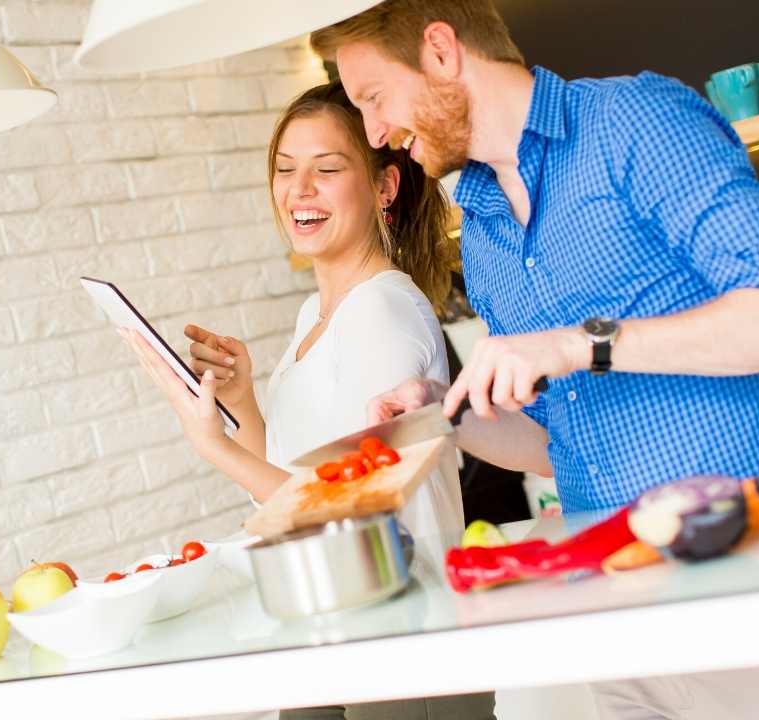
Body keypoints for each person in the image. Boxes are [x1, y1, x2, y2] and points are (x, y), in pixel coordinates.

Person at [309, 3, 759, 720]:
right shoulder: (484, 231)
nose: (374, 133)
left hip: (752, 589)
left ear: (440, 51)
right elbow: (558, 446)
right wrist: (444, 415)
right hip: (618, 615)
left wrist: (581, 343)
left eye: (373, 98)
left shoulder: (636, 121)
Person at [121, 81, 497, 719]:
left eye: (326, 170)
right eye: (285, 170)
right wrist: (242, 405)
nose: (299, 191)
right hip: (330, 627)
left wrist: (211, 446)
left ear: (384, 187)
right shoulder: (312, 316)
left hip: (403, 646)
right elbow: (294, 482)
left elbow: (354, 512)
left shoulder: (381, 309)